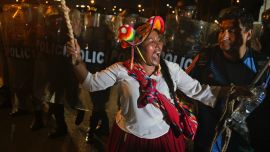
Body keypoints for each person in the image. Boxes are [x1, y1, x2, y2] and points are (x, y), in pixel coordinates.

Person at [66, 16, 247, 152]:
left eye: (159, 40)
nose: (158, 45)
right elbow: (90, 83)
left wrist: (230, 91)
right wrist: (77, 60)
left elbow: (199, 91)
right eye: (151, 41)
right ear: (137, 46)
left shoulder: (171, 69)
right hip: (129, 138)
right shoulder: (122, 69)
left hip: (163, 139)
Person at [191, 6, 268, 152]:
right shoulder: (205, 58)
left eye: (232, 30)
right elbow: (185, 88)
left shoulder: (262, 66)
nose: (224, 36)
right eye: (221, 30)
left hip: (243, 146)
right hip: (206, 144)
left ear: (248, 34)